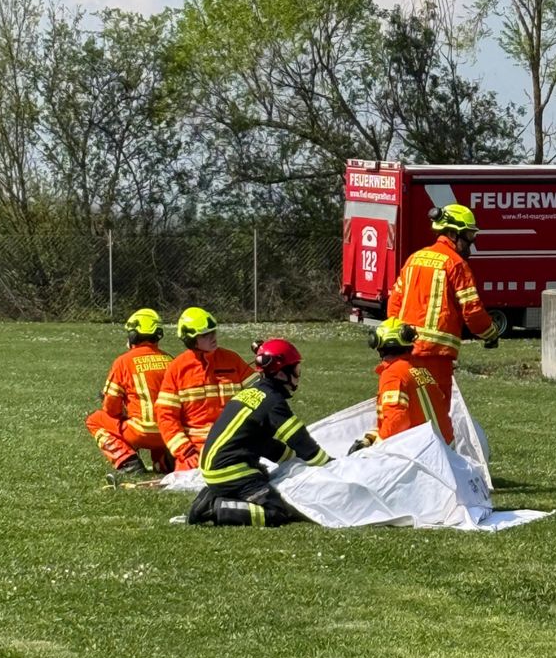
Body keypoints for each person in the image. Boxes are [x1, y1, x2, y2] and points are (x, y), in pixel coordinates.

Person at [387, 202, 499, 445]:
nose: (471, 242)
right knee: (437, 416)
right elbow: (473, 312)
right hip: (435, 357)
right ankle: (443, 467)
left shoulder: (414, 259)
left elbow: (393, 304)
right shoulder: (456, 264)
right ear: (451, 233)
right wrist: (490, 333)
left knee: (406, 413)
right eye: (469, 236)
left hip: (403, 354)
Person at [187, 338, 331, 526]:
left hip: (216, 468)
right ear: (281, 374)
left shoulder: (254, 392)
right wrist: (328, 465)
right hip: (230, 471)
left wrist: (291, 460)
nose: (298, 374)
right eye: (296, 369)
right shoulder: (273, 401)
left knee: (265, 480)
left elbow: (262, 442)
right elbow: (300, 440)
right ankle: (215, 508)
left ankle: (214, 494)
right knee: (276, 512)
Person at [156, 307, 255, 471]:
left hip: (236, 442)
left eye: (213, 332)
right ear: (190, 339)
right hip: (196, 449)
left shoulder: (232, 359)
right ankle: (167, 461)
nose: (213, 337)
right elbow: (166, 416)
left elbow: (260, 395)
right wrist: (185, 452)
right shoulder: (178, 368)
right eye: (205, 335)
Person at [85, 308, 173, 487]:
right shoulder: (170, 360)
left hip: (139, 432)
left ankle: (128, 461)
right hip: (169, 433)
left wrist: (122, 413)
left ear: (133, 336)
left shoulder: (123, 362)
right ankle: (164, 461)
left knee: (94, 420)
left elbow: (110, 407)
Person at [348, 317, 450, 454]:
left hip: (423, 455)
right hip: (445, 449)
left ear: (380, 344)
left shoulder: (393, 374)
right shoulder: (419, 369)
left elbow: (397, 420)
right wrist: (370, 439)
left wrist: (373, 450)